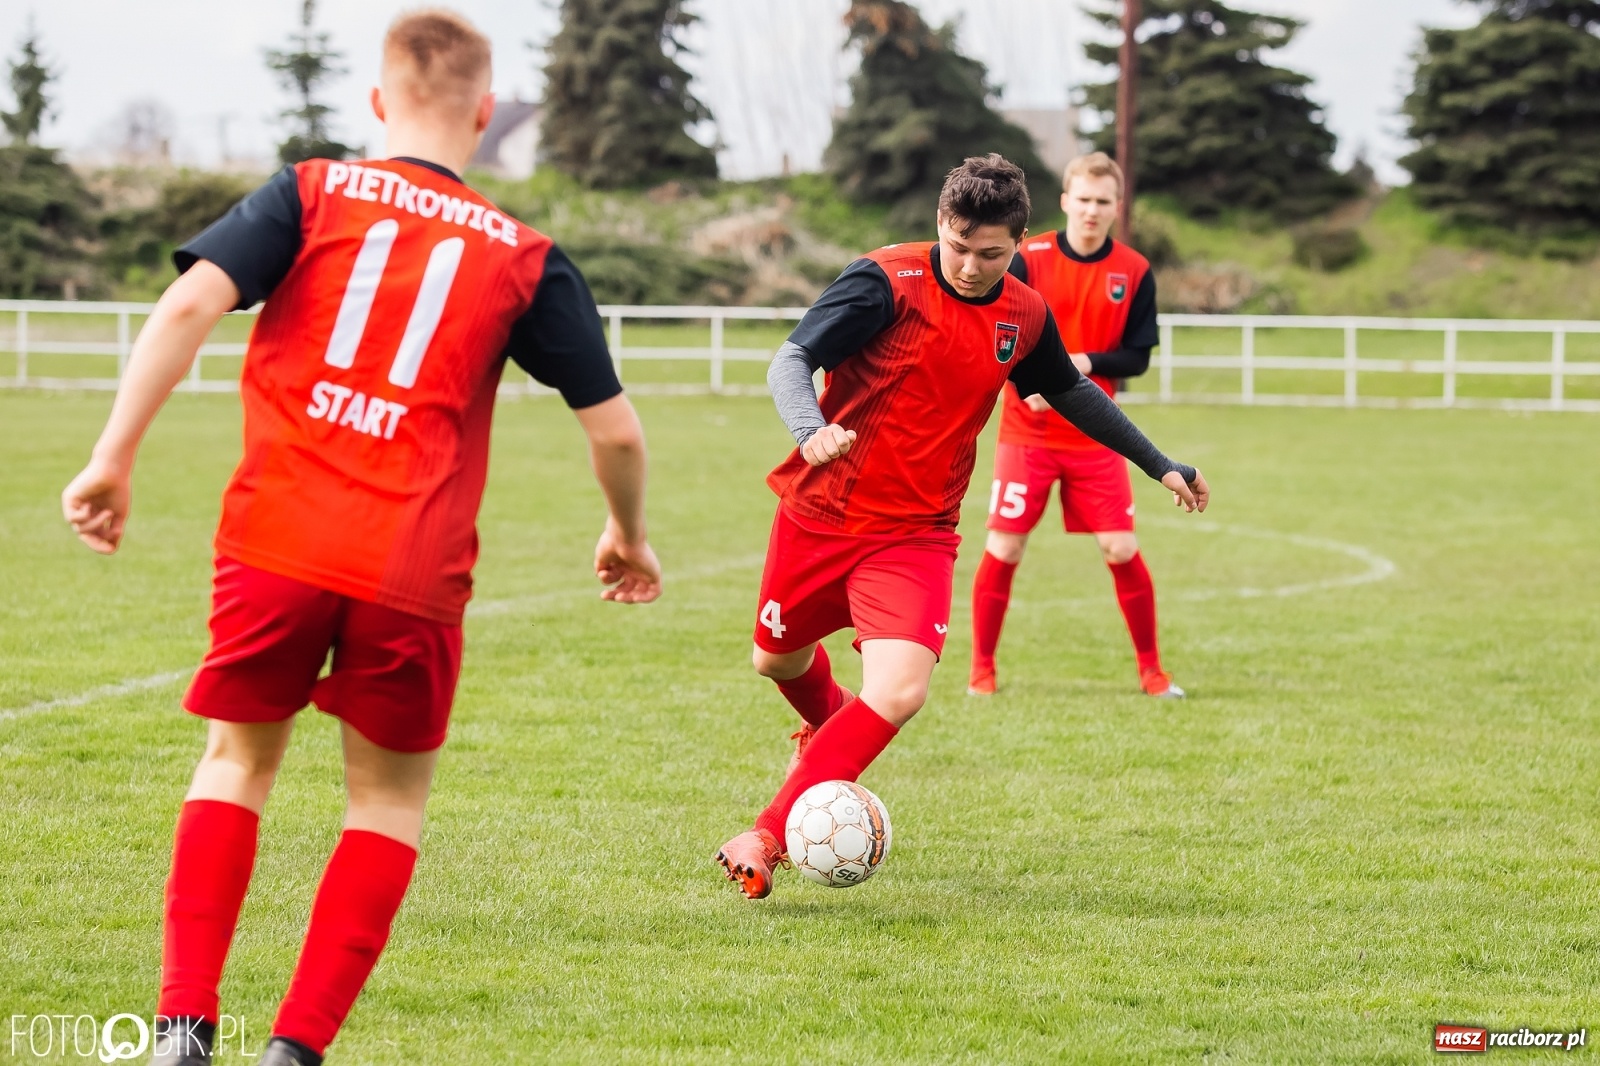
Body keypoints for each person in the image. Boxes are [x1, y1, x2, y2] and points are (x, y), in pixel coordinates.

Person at [60, 11, 660, 1065]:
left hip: (275, 537)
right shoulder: (525, 256)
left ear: (379, 102)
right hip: (411, 566)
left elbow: (187, 307)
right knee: (384, 801)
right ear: (485, 112)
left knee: (234, 765)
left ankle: (182, 1030)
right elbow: (614, 430)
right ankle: (295, 1049)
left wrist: (113, 456)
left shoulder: (309, 192)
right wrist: (626, 533)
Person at [714, 154, 1209, 900]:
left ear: (1018, 242)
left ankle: (767, 833)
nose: (973, 267)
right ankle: (832, 733)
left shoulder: (1024, 312)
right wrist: (810, 429)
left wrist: (1159, 464)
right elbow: (791, 360)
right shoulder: (884, 281)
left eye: (993, 254)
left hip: (916, 532)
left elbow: (1070, 390)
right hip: (821, 513)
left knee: (900, 691)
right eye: (959, 247)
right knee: (775, 662)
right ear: (940, 224)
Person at [969, 152, 1180, 699]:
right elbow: (997, 331)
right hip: (1027, 435)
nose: (1091, 210)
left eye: (1102, 201)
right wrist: (1028, 385)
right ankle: (981, 672)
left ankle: (1153, 673)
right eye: (1083, 198)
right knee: (1005, 548)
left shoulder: (1135, 271)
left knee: (1121, 548)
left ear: (1117, 207)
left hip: (1096, 435)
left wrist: (1081, 365)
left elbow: (1137, 358)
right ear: (1065, 201)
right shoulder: (1027, 258)